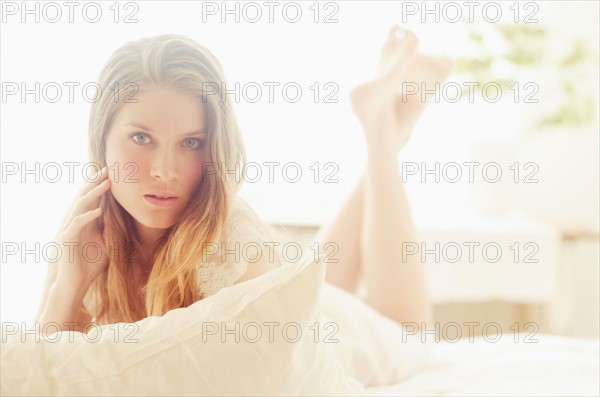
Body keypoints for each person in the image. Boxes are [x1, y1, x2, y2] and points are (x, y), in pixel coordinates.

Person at [34, 26, 452, 333]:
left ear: (215, 146)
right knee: (313, 280)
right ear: (101, 138)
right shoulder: (87, 224)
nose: (164, 169)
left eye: (192, 143)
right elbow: (36, 372)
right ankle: (388, 127)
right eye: (141, 138)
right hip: (300, 299)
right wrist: (68, 286)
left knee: (412, 339)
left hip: (327, 341)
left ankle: (382, 133)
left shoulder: (236, 242)